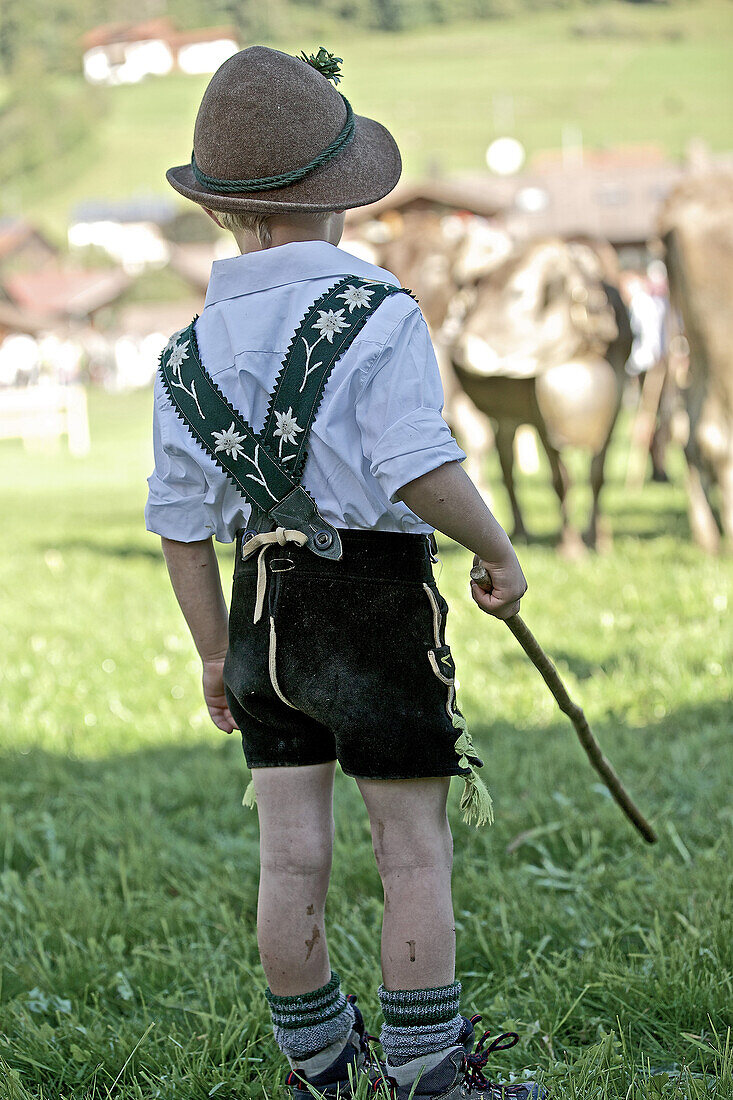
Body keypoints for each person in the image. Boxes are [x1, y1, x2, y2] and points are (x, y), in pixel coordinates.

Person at [146, 45, 541, 1100]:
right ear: (338, 201)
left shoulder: (184, 354)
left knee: (290, 860)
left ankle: (319, 1062)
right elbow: (418, 465)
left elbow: (182, 529)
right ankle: (426, 1069)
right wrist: (495, 550)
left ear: (226, 211)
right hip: (368, 607)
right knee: (411, 851)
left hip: (259, 612)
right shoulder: (374, 310)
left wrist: (216, 656)